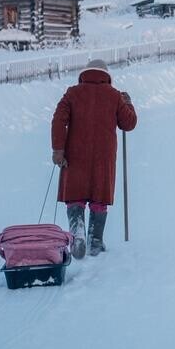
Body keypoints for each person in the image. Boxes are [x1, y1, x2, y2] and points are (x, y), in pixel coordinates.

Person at [51, 59, 137, 259]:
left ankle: (77, 230)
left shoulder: (72, 93)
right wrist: (128, 104)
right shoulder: (115, 96)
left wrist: (58, 149)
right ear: (106, 76)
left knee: (76, 195)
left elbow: (58, 119)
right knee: (99, 198)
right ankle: (95, 241)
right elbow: (129, 124)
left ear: (84, 74)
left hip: (75, 154)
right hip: (103, 157)